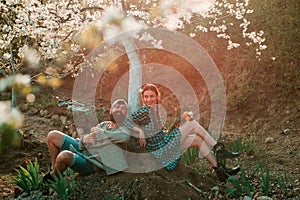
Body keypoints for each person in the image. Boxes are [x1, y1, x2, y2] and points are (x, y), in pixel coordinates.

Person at [124, 83, 240, 182]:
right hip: (161, 150)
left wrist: (171, 128)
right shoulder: (144, 110)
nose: (149, 99)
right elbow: (124, 120)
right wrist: (139, 131)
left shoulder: (155, 109)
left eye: (151, 96)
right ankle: (218, 148)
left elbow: (156, 132)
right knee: (192, 124)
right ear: (142, 98)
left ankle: (220, 171)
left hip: (164, 146)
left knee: (197, 139)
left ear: (157, 96)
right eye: (146, 97)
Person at [43, 99, 131, 183]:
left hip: (92, 162)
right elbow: (90, 140)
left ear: (126, 114)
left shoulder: (124, 129)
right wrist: (84, 140)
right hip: (84, 151)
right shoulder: (103, 125)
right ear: (111, 111)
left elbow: (125, 137)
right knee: (53, 135)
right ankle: (55, 169)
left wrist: (102, 133)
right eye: (117, 107)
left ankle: (53, 176)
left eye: (123, 108)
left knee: (64, 156)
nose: (119, 109)